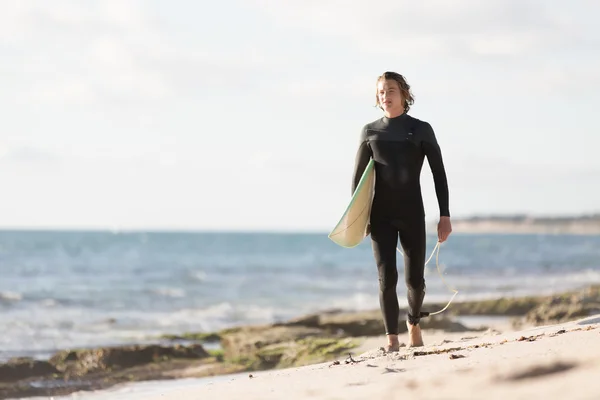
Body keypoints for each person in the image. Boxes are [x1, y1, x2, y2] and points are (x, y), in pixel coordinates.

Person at [351, 71, 452, 350]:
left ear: (404, 94)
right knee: (386, 278)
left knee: (415, 281)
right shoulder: (370, 131)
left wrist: (444, 215)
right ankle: (391, 339)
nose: (386, 96)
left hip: (411, 213)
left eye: (391, 90)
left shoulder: (420, 129)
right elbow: (358, 181)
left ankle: (414, 323)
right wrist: (357, 219)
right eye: (381, 92)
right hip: (380, 215)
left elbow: (439, 174)